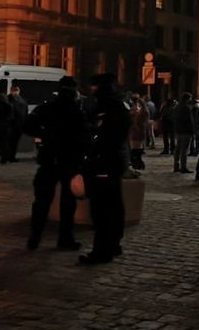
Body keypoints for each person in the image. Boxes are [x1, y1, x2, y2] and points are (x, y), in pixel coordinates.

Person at [22, 76, 89, 250]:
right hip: (69, 160)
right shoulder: (77, 111)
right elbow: (85, 137)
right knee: (67, 202)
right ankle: (64, 239)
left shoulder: (47, 107)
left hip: (50, 159)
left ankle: (35, 238)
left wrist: (44, 135)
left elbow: (27, 125)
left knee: (42, 201)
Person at [79, 73, 131, 265]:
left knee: (102, 210)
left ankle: (102, 251)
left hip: (104, 162)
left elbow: (101, 136)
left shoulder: (108, 107)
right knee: (113, 206)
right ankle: (113, 243)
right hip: (114, 161)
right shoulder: (118, 104)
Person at [173, 93, 195, 173]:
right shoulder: (186, 108)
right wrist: (192, 131)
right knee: (184, 150)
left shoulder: (177, 107)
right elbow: (189, 121)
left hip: (178, 131)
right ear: (187, 99)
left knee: (178, 149)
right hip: (186, 131)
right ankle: (183, 167)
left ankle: (176, 166)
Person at [7, 85, 29, 163]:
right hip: (14, 124)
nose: (15, 92)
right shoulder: (21, 100)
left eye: (16, 90)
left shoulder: (11, 100)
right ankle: (10, 157)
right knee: (11, 142)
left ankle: (10, 156)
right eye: (14, 90)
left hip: (16, 124)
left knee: (13, 142)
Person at [128, 97, 147, 170]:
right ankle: (138, 163)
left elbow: (137, 122)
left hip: (137, 131)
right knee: (137, 148)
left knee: (135, 148)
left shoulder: (140, 111)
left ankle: (138, 163)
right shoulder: (139, 111)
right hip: (136, 130)